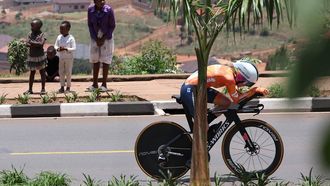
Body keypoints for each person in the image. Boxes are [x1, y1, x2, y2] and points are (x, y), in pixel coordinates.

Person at [180, 59, 269, 131]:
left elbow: (236, 96)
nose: (245, 85)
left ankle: (206, 120)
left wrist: (253, 92)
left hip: (200, 89)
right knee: (204, 127)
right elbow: (237, 100)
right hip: (189, 90)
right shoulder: (229, 78)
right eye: (247, 83)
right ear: (241, 76)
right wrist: (254, 90)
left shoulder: (230, 73)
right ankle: (197, 149)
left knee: (226, 103)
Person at [87, 0, 116, 92]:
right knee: (95, 59)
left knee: (106, 60)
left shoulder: (109, 10)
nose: (102, 1)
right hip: (95, 36)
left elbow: (112, 26)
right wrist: (96, 38)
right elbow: (90, 25)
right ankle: (95, 84)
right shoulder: (90, 10)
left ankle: (104, 84)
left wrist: (103, 38)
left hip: (106, 36)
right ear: (95, 1)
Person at [24, 18, 47, 95]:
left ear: (38, 27)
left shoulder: (42, 34)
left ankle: (43, 89)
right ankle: (30, 89)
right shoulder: (30, 34)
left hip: (40, 56)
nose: (31, 27)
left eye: (33, 26)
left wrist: (31, 43)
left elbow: (41, 44)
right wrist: (35, 43)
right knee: (32, 73)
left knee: (42, 73)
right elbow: (27, 44)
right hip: (32, 56)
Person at [54, 20, 76, 93]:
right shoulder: (59, 37)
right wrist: (58, 49)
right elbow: (55, 45)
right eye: (60, 29)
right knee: (61, 72)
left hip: (69, 58)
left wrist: (66, 49)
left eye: (63, 29)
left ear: (68, 29)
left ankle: (68, 87)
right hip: (61, 57)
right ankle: (62, 87)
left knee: (68, 72)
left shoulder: (71, 38)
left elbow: (74, 48)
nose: (61, 31)